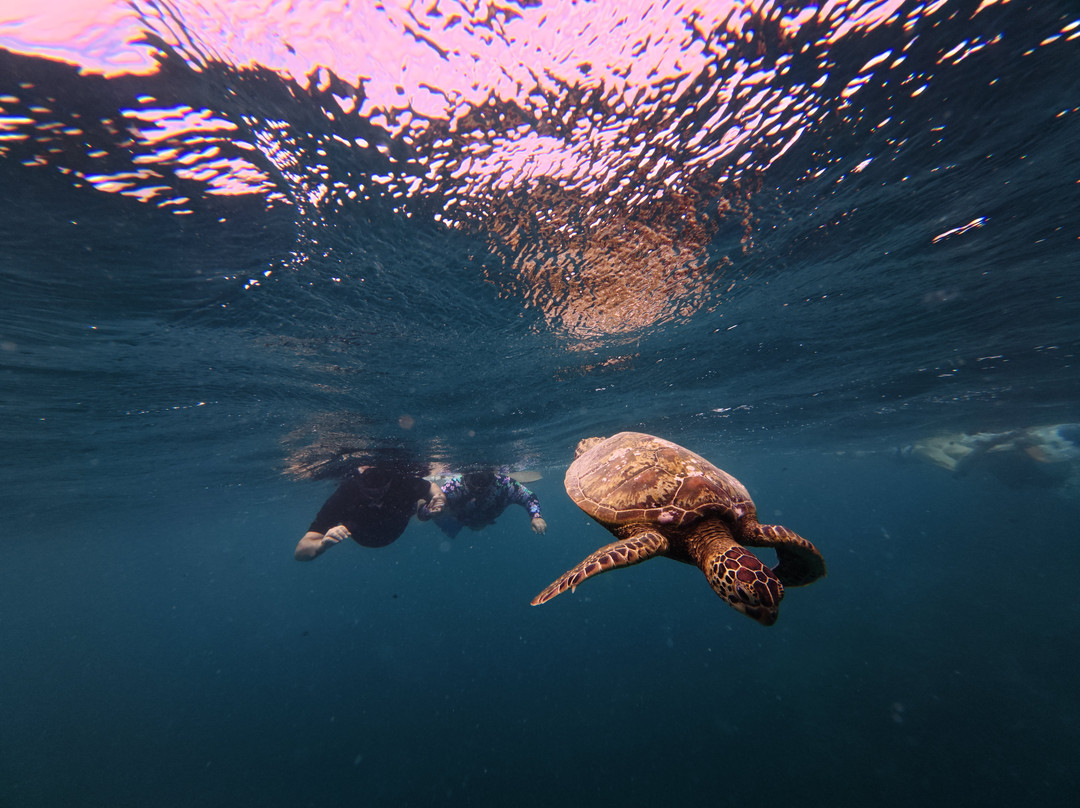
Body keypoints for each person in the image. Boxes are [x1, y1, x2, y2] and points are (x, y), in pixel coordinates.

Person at [294, 465, 445, 560]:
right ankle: (420, 508)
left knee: (413, 503)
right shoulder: (345, 494)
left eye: (381, 484)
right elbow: (300, 552)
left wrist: (439, 497)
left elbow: (430, 486)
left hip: (399, 517)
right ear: (357, 480)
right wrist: (321, 545)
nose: (376, 491)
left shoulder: (401, 482)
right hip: (364, 533)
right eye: (369, 488)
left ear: (390, 479)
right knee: (412, 503)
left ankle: (421, 508)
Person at [417, 470, 546, 538]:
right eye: (475, 482)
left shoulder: (504, 484)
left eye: (484, 481)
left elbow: (528, 497)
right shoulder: (453, 487)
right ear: (465, 477)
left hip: (465, 516)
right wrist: (430, 510)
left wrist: (536, 516)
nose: (479, 488)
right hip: (459, 517)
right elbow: (423, 513)